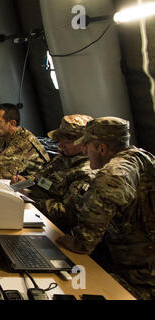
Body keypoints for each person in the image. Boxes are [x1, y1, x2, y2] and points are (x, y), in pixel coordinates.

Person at [56, 117, 155, 300]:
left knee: (68, 287)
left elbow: (83, 243)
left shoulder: (112, 174)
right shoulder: (144, 158)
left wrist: (71, 241)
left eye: (87, 145)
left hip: (139, 281)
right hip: (140, 268)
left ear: (102, 148)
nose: (84, 151)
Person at [11, 115, 96, 233]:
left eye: (65, 142)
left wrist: (31, 197)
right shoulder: (64, 157)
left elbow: (66, 214)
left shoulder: (85, 173)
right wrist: (23, 182)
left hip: (51, 228)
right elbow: (40, 178)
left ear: (83, 144)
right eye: (59, 140)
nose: (59, 146)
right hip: (33, 211)